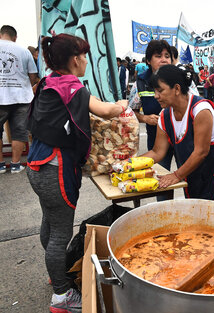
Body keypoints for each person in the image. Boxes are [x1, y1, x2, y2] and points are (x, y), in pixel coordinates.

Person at [26, 33, 128, 313]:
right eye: (84, 55)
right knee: (60, 233)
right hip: (56, 170)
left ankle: (55, 274)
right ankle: (61, 297)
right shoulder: (73, 88)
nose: (86, 60)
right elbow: (106, 111)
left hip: (36, 165)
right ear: (75, 59)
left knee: (49, 223)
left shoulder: (46, 82)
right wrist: (123, 105)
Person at [142, 65, 214, 199]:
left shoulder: (200, 110)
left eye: (160, 91)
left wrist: (176, 175)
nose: (156, 96)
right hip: (193, 170)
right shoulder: (164, 116)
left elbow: (201, 152)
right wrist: (129, 164)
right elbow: (157, 152)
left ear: (177, 89)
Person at [128, 39, 173, 172]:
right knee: (160, 179)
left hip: (182, 140)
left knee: (190, 182)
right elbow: (131, 112)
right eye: (158, 56)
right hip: (156, 141)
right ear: (148, 60)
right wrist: (145, 119)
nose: (164, 60)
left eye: (167, 56)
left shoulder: (182, 79)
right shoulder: (140, 83)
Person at [0, 25, 39, 174]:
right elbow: (33, 74)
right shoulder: (23, 51)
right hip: (21, 97)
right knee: (19, 131)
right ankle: (16, 164)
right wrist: (26, 86)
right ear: (15, 37)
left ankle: (1, 165)